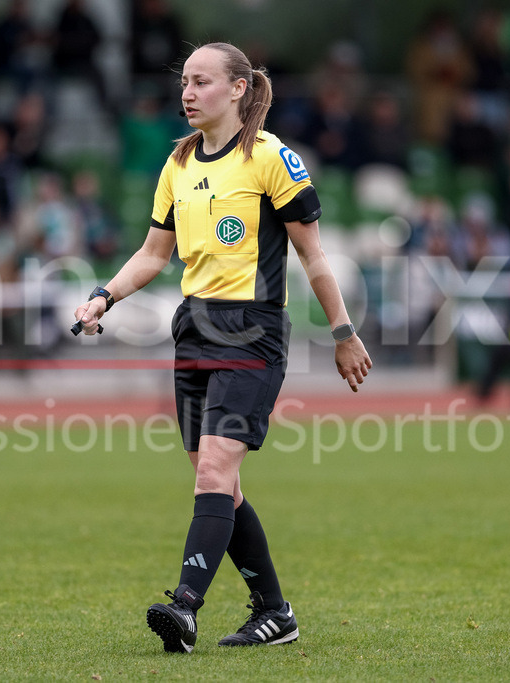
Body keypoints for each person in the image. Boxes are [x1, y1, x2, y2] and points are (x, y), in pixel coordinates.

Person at [72, 42, 372, 653]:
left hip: (253, 333)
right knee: (222, 486)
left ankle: (184, 607)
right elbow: (155, 254)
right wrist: (105, 296)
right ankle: (274, 612)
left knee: (212, 471)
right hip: (194, 331)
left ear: (238, 89)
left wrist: (343, 333)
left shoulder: (270, 158)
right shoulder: (177, 164)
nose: (187, 92)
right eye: (184, 81)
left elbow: (313, 255)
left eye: (202, 81)